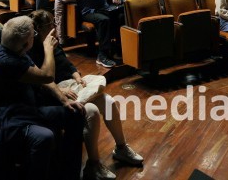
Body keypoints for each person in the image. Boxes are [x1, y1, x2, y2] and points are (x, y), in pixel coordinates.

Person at [29, 10, 143, 179]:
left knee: (109, 101)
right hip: (50, 98)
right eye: (50, 25)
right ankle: (93, 164)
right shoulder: (31, 49)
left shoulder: (52, 43)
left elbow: (66, 63)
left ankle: (121, 148)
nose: (54, 27)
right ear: (38, 29)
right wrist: (60, 91)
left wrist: (76, 76)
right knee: (91, 111)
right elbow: (42, 80)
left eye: (54, 23)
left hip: (69, 89)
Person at [0, 15, 85, 180]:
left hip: (22, 109)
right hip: (5, 118)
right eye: (33, 35)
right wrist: (48, 48)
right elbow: (47, 76)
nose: (35, 37)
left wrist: (64, 100)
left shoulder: (15, 51)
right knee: (47, 134)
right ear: (25, 43)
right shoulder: (6, 61)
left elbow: (40, 78)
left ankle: (67, 173)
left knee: (75, 113)